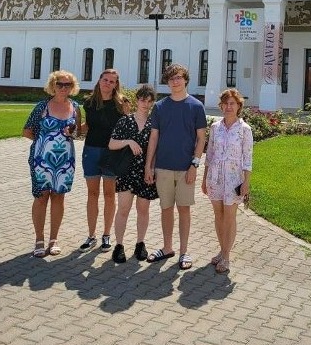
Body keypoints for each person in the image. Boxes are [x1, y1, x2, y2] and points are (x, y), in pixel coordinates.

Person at [144, 63, 207, 270]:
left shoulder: (196, 106)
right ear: (167, 82)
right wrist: (149, 166)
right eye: (171, 79)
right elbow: (154, 138)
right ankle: (167, 247)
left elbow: (200, 139)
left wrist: (194, 165)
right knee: (166, 209)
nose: (175, 82)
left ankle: (184, 251)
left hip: (185, 168)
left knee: (184, 210)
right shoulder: (160, 107)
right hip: (163, 167)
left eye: (179, 77)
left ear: (185, 79)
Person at [22, 71, 82, 257]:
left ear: (72, 88)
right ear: (53, 85)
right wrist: (43, 142)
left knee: (58, 196)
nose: (63, 88)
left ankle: (53, 239)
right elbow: (26, 131)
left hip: (65, 160)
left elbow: (78, 132)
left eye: (67, 85)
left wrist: (71, 133)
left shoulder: (76, 107)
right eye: (60, 84)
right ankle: (39, 239)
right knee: (41, 197)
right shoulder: (42, 106)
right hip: (41, 160)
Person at [201, 88, 253, 273]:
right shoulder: (215, 127)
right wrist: (205, 177)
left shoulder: (244, 130)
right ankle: (222, 251)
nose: (228, 107)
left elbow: (247, 159)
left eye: (232, 103)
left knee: (229, 217)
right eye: (225, 103)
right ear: (221, 106)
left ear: (239, 106)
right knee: (218, 215)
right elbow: (210, 154)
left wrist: (246, 182)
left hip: (234, 179)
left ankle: (226, 257)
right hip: (215, 177)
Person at [78, 69, 129, 253]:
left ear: (116, 84)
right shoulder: (89, 102)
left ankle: (106, 235)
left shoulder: (122, 104)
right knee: (92, 194)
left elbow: (126, 127)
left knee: (109, 195)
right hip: (91, 150)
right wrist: (74, 129)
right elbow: (88, 126)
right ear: (99, 80)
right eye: (105, 79)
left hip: (112, 153)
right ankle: (91, 236)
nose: (108, 83)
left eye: (112, 81)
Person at [107, 84, 158, 263]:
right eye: (143, 99)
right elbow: (112, 144)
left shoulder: (154, 123)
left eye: (149, 101)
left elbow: (157, 149)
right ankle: (119, 245)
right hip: (126, 171)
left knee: (143, 210)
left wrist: (150, 168)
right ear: (137, 100)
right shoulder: (125, 121)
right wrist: (128, 141)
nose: (145, 103)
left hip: (146, 172)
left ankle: (140, 243)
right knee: (123, 209)